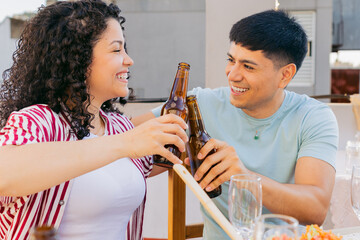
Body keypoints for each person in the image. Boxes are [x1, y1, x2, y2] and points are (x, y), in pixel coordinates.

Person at [134, 9, 338, 239]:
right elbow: (123, 135)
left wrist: (244, 176)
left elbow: (315, 208)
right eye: (231, 60)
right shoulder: (199, 105)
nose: (232, 74)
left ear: (285, 75)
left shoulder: (313, 116)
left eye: (248, 67)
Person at [0, 1, 187, 239]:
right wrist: (125, 143)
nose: (129, 60)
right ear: (77, 58)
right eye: (116, 49)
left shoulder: (119, 126)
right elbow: (4, 172)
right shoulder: (38, 120)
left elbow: (156, 160)